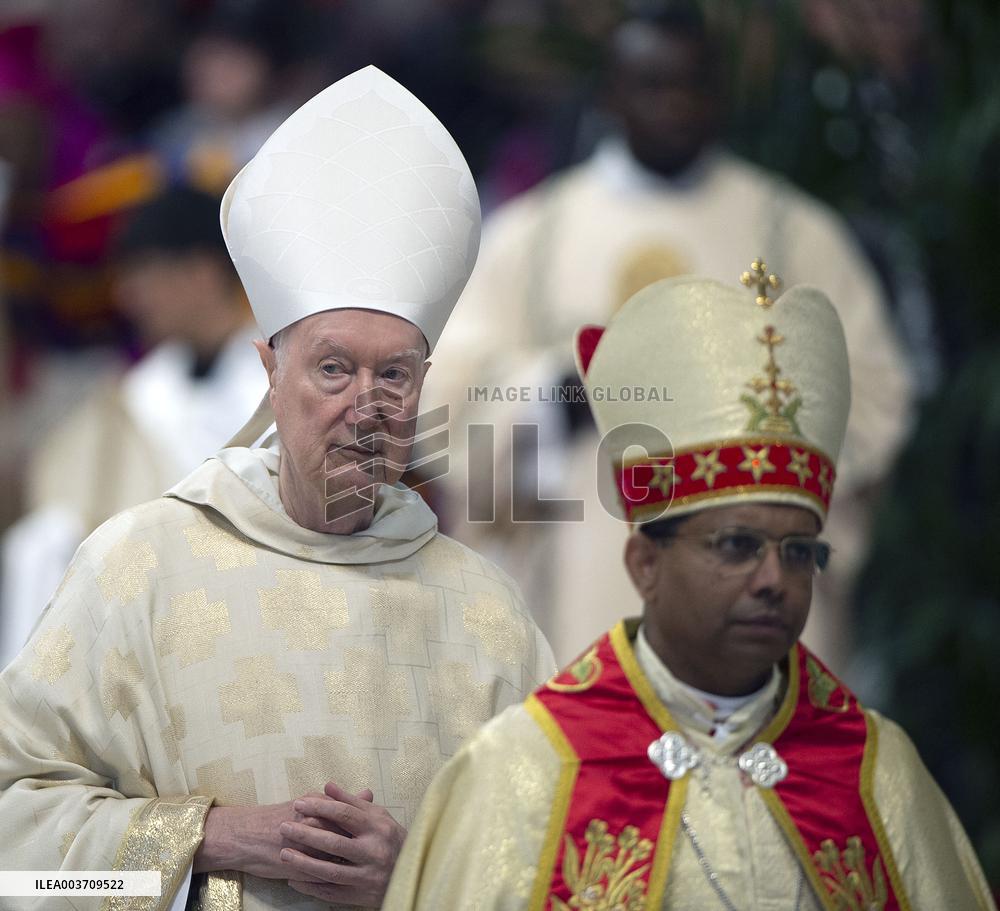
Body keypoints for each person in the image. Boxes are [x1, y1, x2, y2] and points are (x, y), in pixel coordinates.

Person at [0, 65, 554, 911]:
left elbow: (563, 874)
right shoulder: (136, 569)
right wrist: (203, 837)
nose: (366, 407)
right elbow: (20, 859)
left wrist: (422, 874)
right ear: (269, 369)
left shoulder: (487, 614)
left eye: (395, 376)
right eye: (333, 368)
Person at [384, 267, 995, 910]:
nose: (774, 582)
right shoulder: (524, 772)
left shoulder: (878, 775)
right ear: (644, 562)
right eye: (736, 546)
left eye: (799, 551)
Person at [421, 2, 914, 670]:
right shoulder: (533, 237)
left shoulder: (793, 233)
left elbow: (876, 392)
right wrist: (553, 393)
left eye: (692, 85)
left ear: (720, 95)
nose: (674, 104)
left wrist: (753, 404)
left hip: (749, 578)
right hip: (580, 578)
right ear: (610, 95)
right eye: (653, 85)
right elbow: (449, 397)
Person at [0, 185, 266, 668]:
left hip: (259, 600)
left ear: (202, 273)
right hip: (153, 604)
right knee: (38, 542)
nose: (127, 295)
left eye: (143, 273)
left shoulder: (282, 379)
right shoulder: (139, 392)